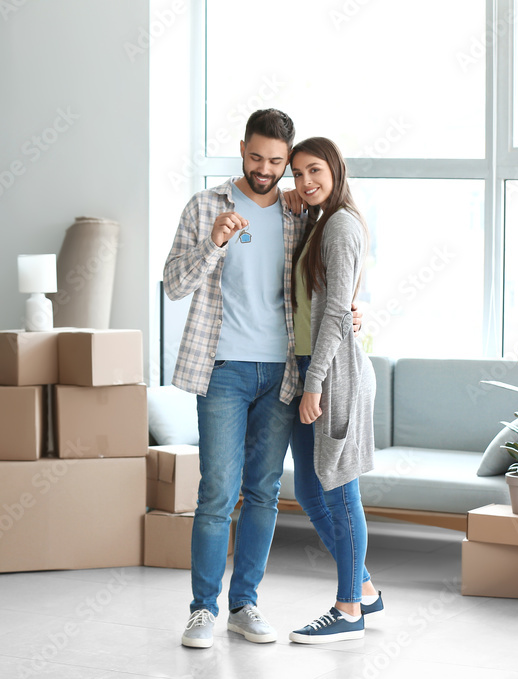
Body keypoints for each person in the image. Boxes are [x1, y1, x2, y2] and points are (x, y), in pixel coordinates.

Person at [164, 110, 361, 649]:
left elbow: (320, 286)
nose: (266, 170)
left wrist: (351, 309)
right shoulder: (206, 206)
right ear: (242, 149)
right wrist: (216, 243)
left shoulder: (302, 213)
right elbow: (173, 286)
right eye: (257, 158)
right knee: (216, 494)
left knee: (264, 493)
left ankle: (244, 605)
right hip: (223, 370)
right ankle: (202, 610)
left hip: (284, 375)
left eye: (278, 162)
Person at [285, 137, 382, 644]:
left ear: (336, 168)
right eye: (298, 174)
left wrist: (314, 382)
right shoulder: (318, 221)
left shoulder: (341, 224)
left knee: (340, 492)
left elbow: (338, 312)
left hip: (333, 374)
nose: (305, 182)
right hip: (310, 368)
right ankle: (363, 587)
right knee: (308, 488)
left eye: (314, 170)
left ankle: (348, 610)